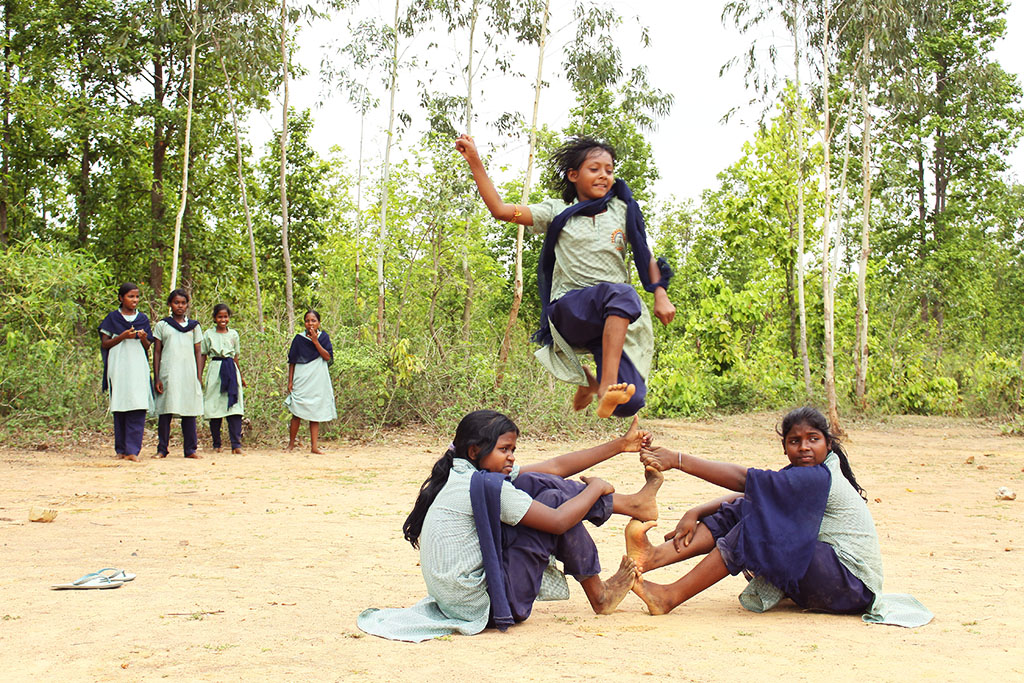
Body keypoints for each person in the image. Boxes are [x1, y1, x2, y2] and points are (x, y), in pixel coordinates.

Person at [358, 410, 664, 642]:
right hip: (488, 606)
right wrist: (595, 488)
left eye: (513, 450)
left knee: (533, 482)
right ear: (476, 451)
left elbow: (554, 468)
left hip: (462, 600)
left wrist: (620, 444)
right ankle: (601, 593)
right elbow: (558, 523)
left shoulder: (460, 473)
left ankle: (633, 504)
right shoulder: (483, 486)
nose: (511, 456)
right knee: (555, 502)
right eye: (505, 450)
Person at [624, 407, 932, 627]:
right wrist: (696, 511)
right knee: (748, 510)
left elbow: (746, 480)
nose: (804, 447)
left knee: (759, 527)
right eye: (794, 441)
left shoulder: (819, 477)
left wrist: (678, 460)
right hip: (830, 578)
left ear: (829, 442)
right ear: (784, 447)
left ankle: (669, 596)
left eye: (813, 439)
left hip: (850, 586)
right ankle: (651, 558)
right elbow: (750, 496)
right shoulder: (806, 474)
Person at [455, 134, 676, 418]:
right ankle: (607, 383)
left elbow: (644, 252)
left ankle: (594, 384)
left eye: (609, 170)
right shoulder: (557, 210)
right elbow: (500, 210)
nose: (603, 176)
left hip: (610, 321)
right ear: (573, 175)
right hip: (569, 309)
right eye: (594, 169)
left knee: (630, 402)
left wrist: (660, 292)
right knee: (622, 292)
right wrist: (475, 161)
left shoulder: (623, 210)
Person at [98, 283, 154, 462]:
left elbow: (147, 346)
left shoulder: (142, 319)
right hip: (119, 365)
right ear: (121, 298)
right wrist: (122, 336)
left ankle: (133, 450)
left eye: (137, 297)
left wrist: (144, 338)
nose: (135, 300)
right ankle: (120, 449)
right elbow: (105, 343)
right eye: (131, 296)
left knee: (137, 404)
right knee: (120, 405)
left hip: (137, 366)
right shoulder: (112, 318)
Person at [152, 288, 204, 459]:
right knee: (166, 410)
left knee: (189, 410)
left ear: (187, 305)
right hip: (169, 372)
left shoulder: (194, 326)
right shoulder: (162, 325)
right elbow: (157, 351)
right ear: (170, 304)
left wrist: (198, 375)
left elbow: (198, 352)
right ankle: (162, 449)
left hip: (188, 372)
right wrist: (157, 376)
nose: (180, 306)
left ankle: (190, 449)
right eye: (176, 303)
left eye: (183, 303)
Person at [285, 310, 337, 453]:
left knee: (315, 413)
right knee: (297, 412)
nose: (310, 324)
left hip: (318, 378)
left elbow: (327, 357)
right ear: (304, 323)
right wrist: (290, 381)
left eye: (313, 321)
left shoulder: (324, 337)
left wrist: (315, 341)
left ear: (319, 323)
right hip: (302, 378)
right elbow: (292, 361)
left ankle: (314, 447)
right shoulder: (299, 339)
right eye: (307, 321)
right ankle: (290, 445)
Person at [201, 303, 246, 454]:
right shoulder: (208, 334)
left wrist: (241, 375)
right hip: (216, 370)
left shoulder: (233, 334)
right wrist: (199, 376)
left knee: (234, 408)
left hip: (231, 370)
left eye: (225, 316)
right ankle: (216, 444)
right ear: (214, 318)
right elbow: (203, 355)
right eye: (220, 316)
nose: (223, 319)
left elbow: (236, 357)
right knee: (215, 407)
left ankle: (236, 445)